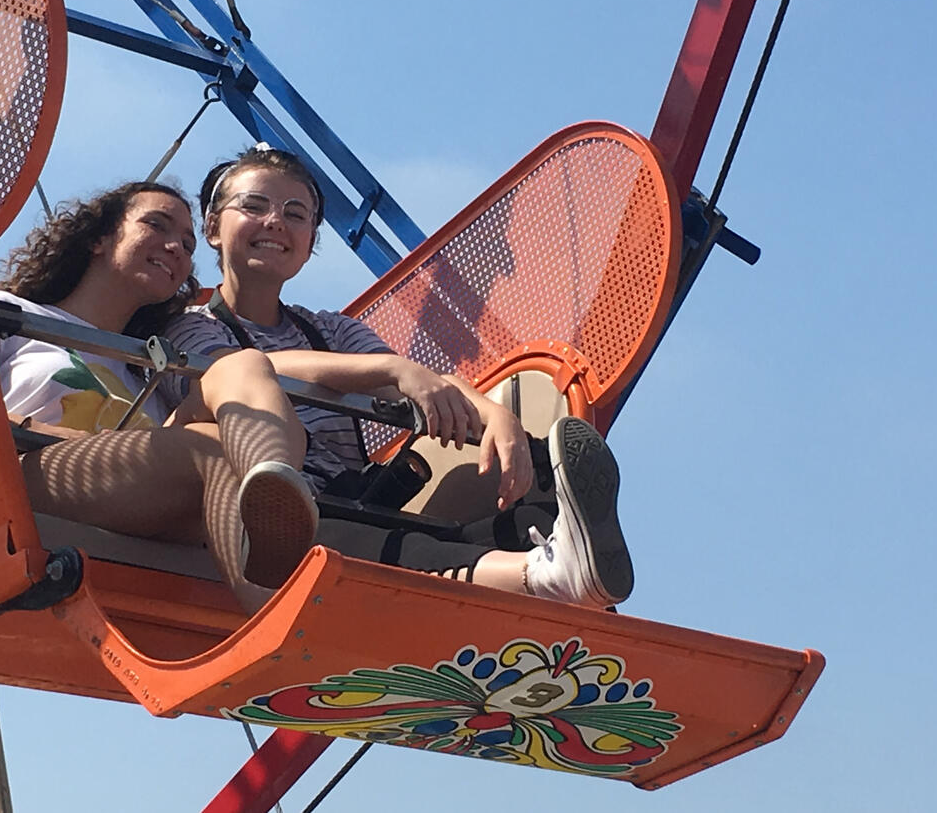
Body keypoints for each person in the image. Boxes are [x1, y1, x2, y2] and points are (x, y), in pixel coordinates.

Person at [161, 147, 634, 610]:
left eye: (295, 213)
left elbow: (419, 384)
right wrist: (390, 369)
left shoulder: (331, 330)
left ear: (309, 244)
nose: (275, 222)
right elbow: (234, 371)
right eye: (254, 205)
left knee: (526, 468)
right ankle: (543, 576)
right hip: (264, 514)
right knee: (321, 533)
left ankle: (561, 557)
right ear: (212, 227)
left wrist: (497, 418)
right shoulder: (191, 325)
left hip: (357, 498)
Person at [0, 179, 319, 612]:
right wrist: (54, 436)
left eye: (186, 242)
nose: (176, 248)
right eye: (157, 226)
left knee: (243, 367)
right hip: (24, 477)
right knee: (206, 447)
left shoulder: (151, 373)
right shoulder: (11, 314)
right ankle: (274, 615)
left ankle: (272, 491)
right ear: (99, 238)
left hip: (140, 493)